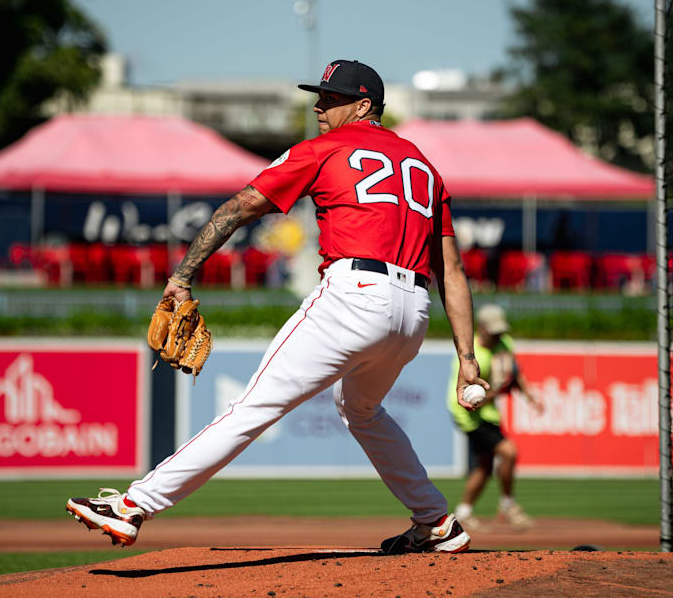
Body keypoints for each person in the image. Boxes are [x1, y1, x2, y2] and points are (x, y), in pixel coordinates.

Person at [66, 59, 489, 554]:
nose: (319, 105)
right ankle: (435, 522)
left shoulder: (324, 148)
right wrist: (466, 357)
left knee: (252, 408)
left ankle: (133, 505)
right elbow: (453, 272)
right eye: (320, 96)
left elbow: (239, 208)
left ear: (364, 106)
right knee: (361, 407)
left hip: (353, 297)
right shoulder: (424, 166)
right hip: (412, 311)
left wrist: (181, 276)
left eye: (331, 98)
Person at [449, 304, 542, 531]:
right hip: (468, 413)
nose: (499, 335)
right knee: (508, 452)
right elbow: (473, 398)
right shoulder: (473, 355)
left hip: (489, 413)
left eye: (500, 331)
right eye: (494, 331)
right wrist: (495, 390)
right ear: (481, 329)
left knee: (484, 467)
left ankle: (463, 513)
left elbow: (515, 373)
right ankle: (508, 505)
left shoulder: (504, 343)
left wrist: (529, 396)